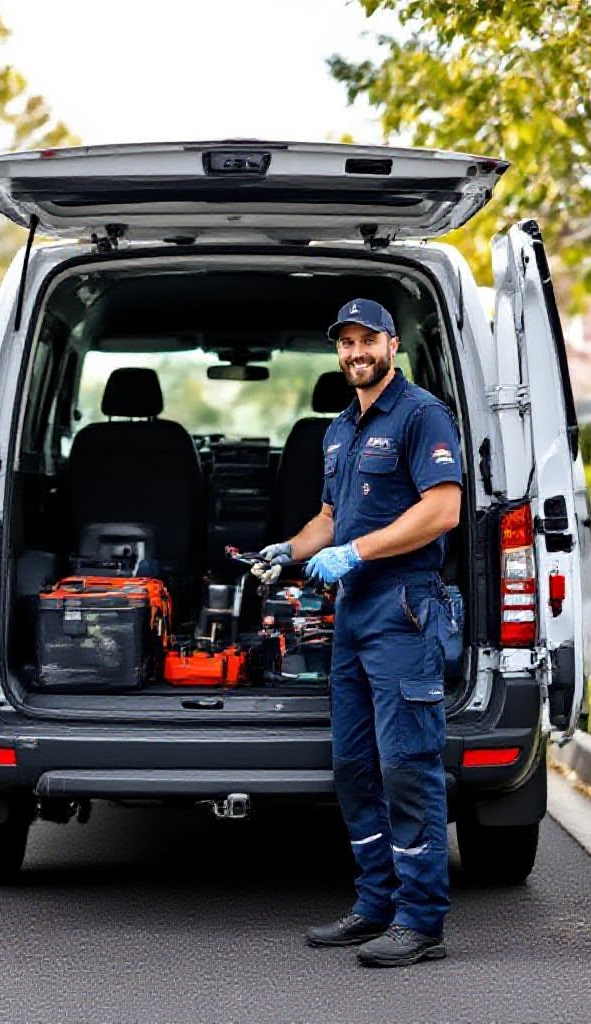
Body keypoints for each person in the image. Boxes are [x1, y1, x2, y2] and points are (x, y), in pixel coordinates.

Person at [253, 298, 461, 968]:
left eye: (367, 339)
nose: (355, 352)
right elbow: (329, 518)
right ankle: (375, 904)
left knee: (407, 768)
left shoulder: (422, 414)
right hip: (352, 617)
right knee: (352, 767)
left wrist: (358, 553)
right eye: (345, 343)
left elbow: (443, 510)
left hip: (403, 611)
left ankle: (421, 919)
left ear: (391, 345)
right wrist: (288, 549)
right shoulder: (339, 430)